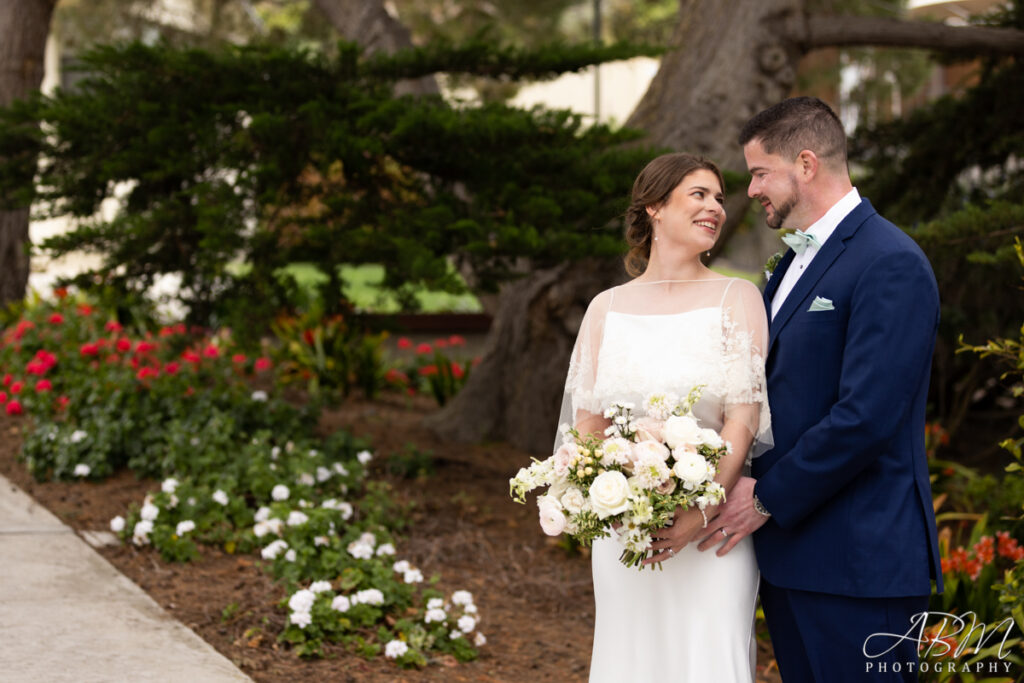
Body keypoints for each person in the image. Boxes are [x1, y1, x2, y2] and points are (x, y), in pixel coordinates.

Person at [700, 97, 943, 682]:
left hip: (859, 565)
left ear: (805, 164)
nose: (751, 189)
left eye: (760, 172)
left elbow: (866, 417)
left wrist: (762, 498)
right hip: (794, 560)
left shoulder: (890, 262)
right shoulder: (790, 265)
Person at [560, 152, 772, 682]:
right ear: (654, 206)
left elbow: (742, 423)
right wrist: (618, 501)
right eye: (699, 194)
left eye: (720, 198)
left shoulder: (737, 297)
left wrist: (696, 515)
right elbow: (587, 426)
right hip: (627, 536)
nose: (716, 208)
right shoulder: (605, 308)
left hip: (711, 533)